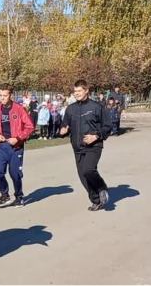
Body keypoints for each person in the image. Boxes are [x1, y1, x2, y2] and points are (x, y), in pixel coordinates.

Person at [60, 79, 113, 211]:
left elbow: (108, 126)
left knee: (88, 170)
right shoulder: (71, 109)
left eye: (79, 91)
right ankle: (96, 200)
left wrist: (96, 136)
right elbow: (65, 124)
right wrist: (63, 131)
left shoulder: (96, 107)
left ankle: (102, 188)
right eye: (75, 91)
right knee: (83, 176)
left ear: (86, 90)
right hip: (77, 146)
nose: (76, 93)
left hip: (93, 146)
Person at [0, 85, 35, 208]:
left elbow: (30, 126)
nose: (2, 98)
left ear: (11, 96)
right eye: (1, 95)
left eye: (5, 96)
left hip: (15, 146)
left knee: (15, 173)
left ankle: (19, 196)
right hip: (1, 145)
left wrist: (18, 138)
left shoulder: (19, 109)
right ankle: (5, 196)